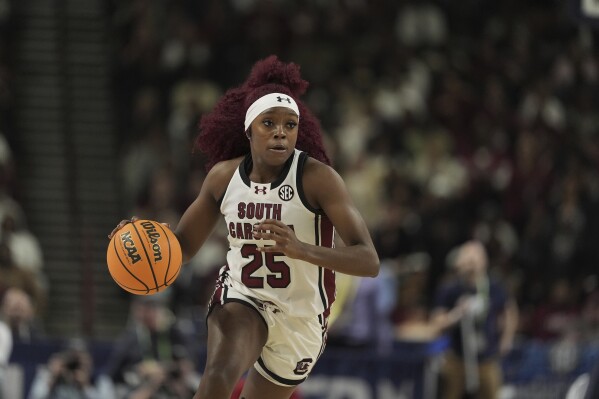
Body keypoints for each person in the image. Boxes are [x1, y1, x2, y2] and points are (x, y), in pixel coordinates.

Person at [110, 55, 380, 399]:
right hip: (244, 296)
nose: (281, 132)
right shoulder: (223, 178)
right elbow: (181, 248)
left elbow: (369, 260)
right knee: (218, 375)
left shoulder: (318, 179)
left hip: (301, 317)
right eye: (269, 123)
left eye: (289, 124)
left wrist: (301, 250)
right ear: (249, 128)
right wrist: (143, 242)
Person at [431, 240, 518, 399]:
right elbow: (437, 322)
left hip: (486, 358)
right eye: (468, 259)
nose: (471, 265)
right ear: (459, 262)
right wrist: (457, 314)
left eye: (475, 259)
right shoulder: (450, 288)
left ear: (484, 261)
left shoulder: (494, 285)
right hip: (457, 358)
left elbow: (510, 311)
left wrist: (507, 339)